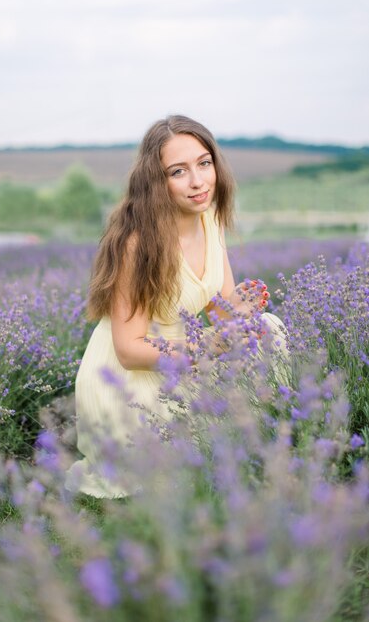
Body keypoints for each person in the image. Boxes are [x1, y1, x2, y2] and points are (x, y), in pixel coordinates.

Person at [65, 115, 286, 498]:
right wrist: (209, 347)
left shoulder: (210, 219)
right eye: (179, 171)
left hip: (186, 360)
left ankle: (276, 429)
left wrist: (240, 311)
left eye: (204, 163)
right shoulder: (137, 244)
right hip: (130, 380)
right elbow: (129, 350)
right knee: (181, 470)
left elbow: (217, 311)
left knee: (269, 327)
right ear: (156, 180)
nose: (198, 181)